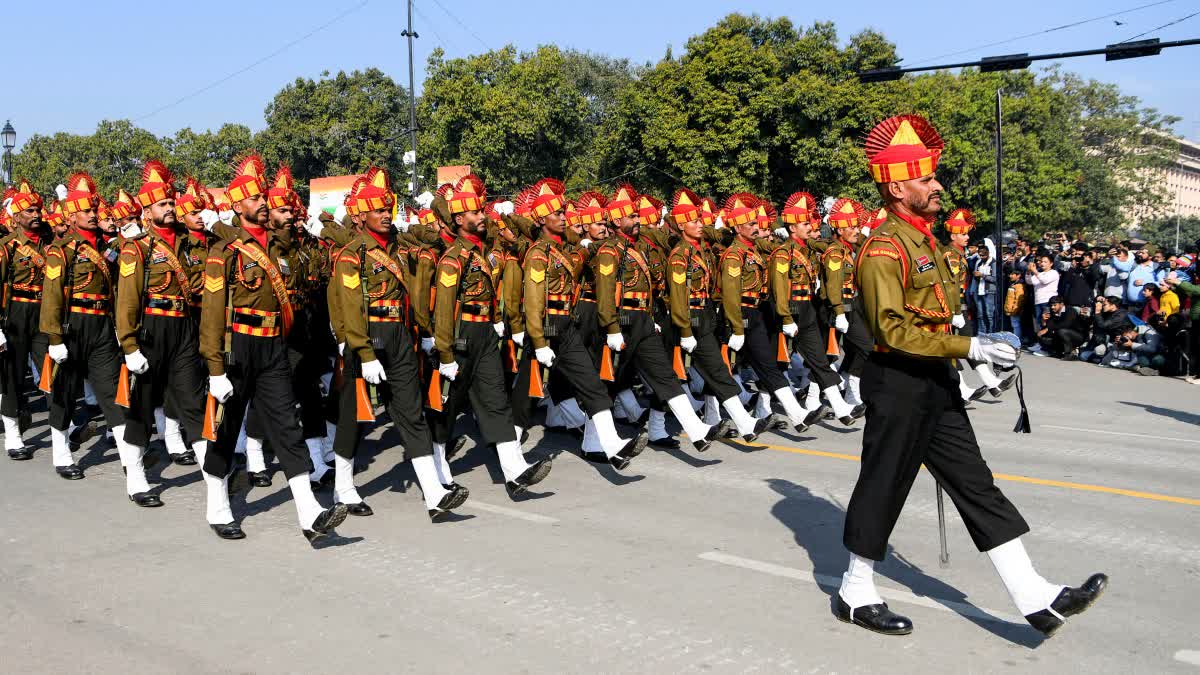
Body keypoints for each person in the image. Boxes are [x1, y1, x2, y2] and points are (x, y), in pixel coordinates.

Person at [834, 114, 1106, 638]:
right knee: (884, 483)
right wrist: (971, 343)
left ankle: (1036, 595)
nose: (937, 186)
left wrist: (972, 355)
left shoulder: (928, 243)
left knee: (975, 483)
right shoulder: (884, 248)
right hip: (896, 379)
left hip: (934, 376)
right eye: (925, 179)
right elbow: (891, 331)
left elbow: (936, 315)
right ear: (896, 186)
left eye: (934, 177)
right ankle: (855, 590)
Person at [198, 154, 348, 542]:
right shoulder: (225, 252)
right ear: (236, 206)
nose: (262, 204)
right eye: (253, 200)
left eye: (263, 198)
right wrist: (215, 370)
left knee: (285, 424)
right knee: (226, 427)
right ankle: (217, 504)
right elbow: (212, 315)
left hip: (274, 348)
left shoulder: (278, 249)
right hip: (238, 349)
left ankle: (309, 512)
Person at [330, 166, 470, 519]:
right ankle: (343, 487)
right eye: (377, 209)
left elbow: (412, 298)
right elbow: (348, 306)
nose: (384, 215)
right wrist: (362, 350)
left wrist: (422, 335)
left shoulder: (398, 250)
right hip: (368, 337)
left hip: (400, 337)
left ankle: (434, 493)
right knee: (354, 415)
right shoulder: (351, 254)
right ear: (361, 215)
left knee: (411, 411)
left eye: (386, 208)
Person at [513, 177, 647, 468]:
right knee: (525, 397)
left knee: (591, 384)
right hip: (547, 326)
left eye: (563, 212)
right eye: (557, 214)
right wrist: (537, 340)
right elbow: (534, 301)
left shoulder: (560, 250)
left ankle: (611, 445)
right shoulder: (538, 253)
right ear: (541, 219)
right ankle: (510, 456)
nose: (564, 217)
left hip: (567, 325)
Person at [432, 174, 552, 496]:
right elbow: (443, 312)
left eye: (482, 210)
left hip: (486, 333)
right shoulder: (452, 260)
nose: (482, 216)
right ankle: (437, 475)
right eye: (474, 213)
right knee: (448, 406)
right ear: (459, 219)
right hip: (461, 336)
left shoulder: (488, 253)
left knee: (496, 400)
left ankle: (515, 471)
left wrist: (501, 321)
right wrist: (444, 354)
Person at [114, 160, 209, 484]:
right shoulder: (137, 247)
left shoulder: (189, 242)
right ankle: (137, 477)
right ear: (147, 209)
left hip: (184, 329)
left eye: (171, 203)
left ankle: (216, 481)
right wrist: (129, 345)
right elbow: (127, 299)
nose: (169, 208)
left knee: (194, 403)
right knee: (141, 406)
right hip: (151, 329)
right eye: (162, 204)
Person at [768, 191, 856, 424]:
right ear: (792, 228)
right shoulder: (783, 253)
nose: (809, 227)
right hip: (792, 309)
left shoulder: (808, 250)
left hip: (808, 308)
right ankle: (762, 408)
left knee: (819, 358)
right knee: (770, 362)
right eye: (804, 223)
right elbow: (778, 288)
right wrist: (785, 318)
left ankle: (840, 407)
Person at [0, 179, 51, 459]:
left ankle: (61, 430)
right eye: (29, 211)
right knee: (13, 376)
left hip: (43, 313)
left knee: (51, 370)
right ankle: (13, 436)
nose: (36, 215)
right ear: (17, 217)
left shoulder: (50, 244)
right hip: (16, 314)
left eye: (37, 210)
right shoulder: (7, 247)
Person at [1162, 272, 1200, 383]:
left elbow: (1195, 290)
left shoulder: (1196, 287)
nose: (1196, 277)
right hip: (1196, 320)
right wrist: (1173, 286)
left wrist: (1177, 282)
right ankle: (1196, 374)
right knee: (1195, 347)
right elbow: (1187, 292)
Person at [1025, 254, 1059, 337]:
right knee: (1038, 322)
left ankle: (1047, 341)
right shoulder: (1039, 273)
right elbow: (1029, 281)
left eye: (1045, 262)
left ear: (1051, 264)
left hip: (1048, 301)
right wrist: (1029, 271)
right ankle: (1039, 342)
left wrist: (1035, 271)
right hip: (1038, 301)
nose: (1042, 263)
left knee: (1047, 322)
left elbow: (1045, 280)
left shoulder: (1053, 273)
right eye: (1041, 262)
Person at [1003, 265, 1027, 346]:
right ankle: (1016, 339)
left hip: (1014, 310)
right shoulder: (1013, 284)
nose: (1010, 276)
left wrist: (1015, 309)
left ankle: (1017, 340)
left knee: (1016, 325)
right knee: (1014, 325)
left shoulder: (1019, 286)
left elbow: (1019, 300)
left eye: (1012, 274)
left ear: (1018, 275)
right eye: (1010, 274)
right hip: (1011, 309)